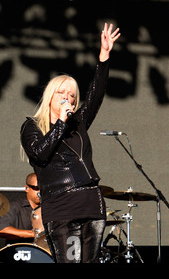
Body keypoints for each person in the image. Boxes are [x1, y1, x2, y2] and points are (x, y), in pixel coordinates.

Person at [20, 23, 120, 263]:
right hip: (61, 204)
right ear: (50, 96)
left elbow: (96, 96)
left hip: (90, 202)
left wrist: (104, 58)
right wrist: (61, 124)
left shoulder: (78, 123)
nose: (68, 98)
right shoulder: (32, 126)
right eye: (62, 93)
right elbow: (40, 154)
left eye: (72, 95)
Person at [0, 173, 40, 243]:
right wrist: (33, 234)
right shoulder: (15, 207)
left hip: (46, 251)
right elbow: (3, 230)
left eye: (43, 188)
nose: (40, 192)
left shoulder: (51, 207)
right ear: (27, 188)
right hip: (20, 251)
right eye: (36, 188)